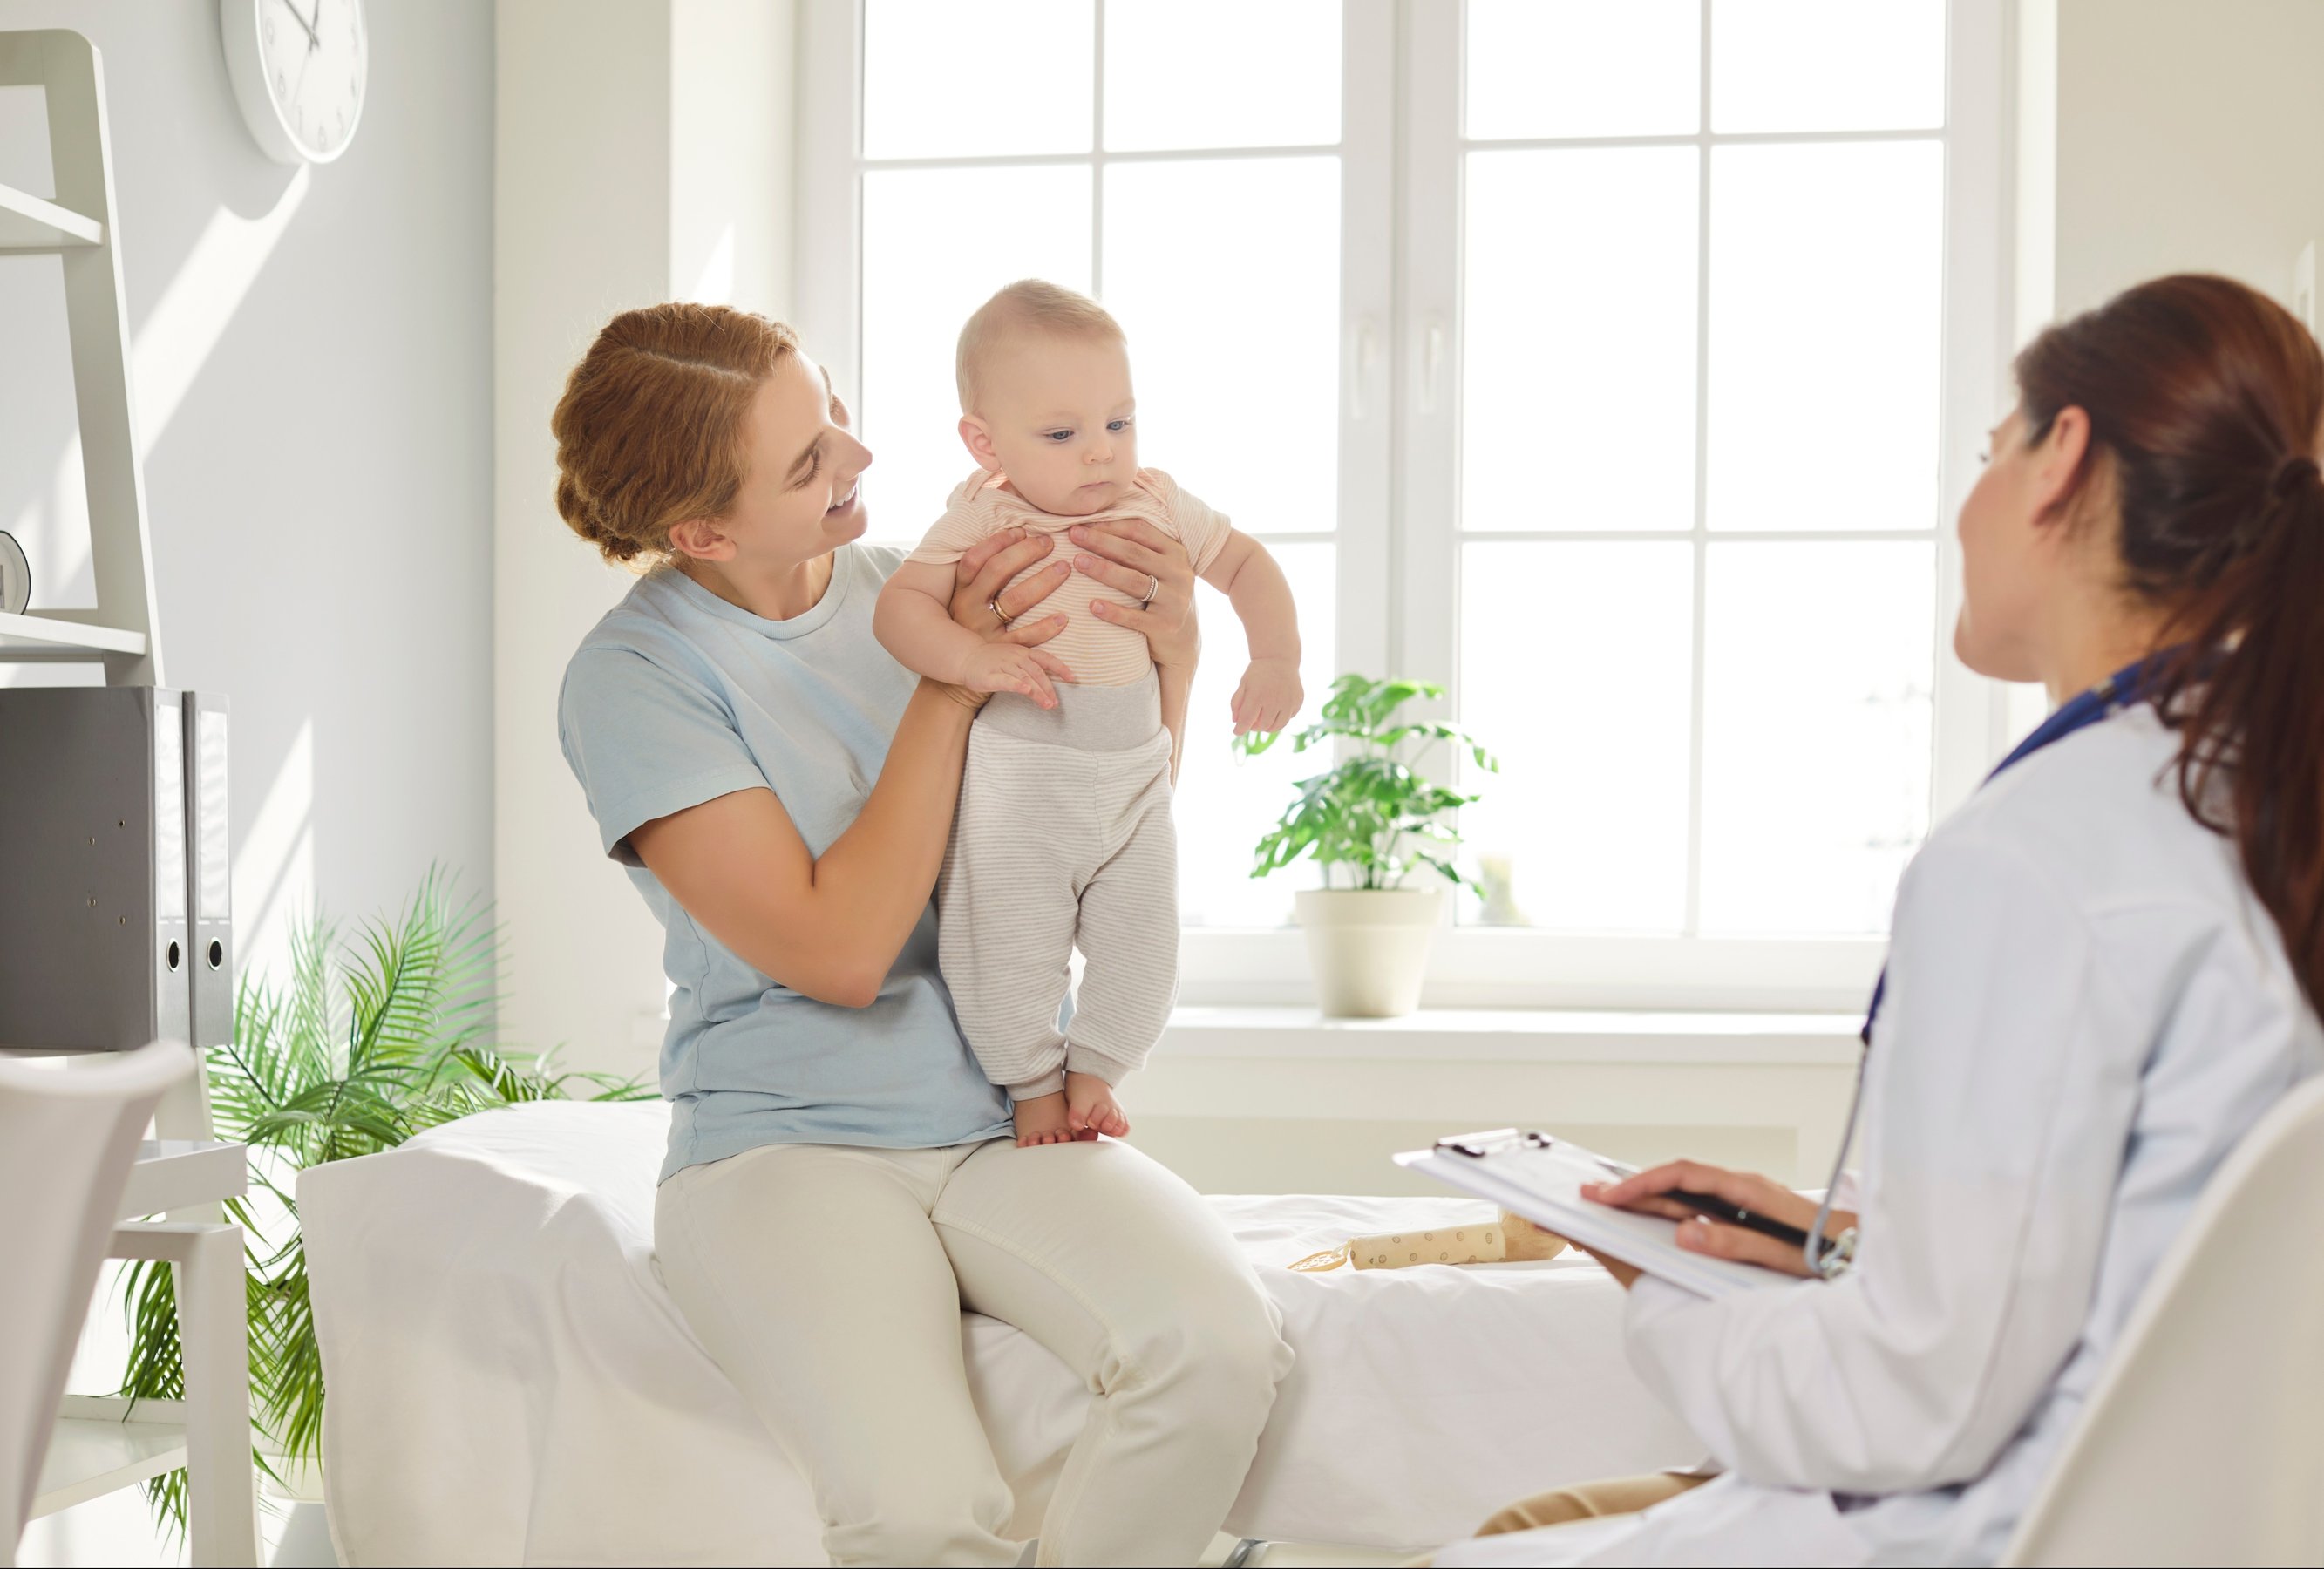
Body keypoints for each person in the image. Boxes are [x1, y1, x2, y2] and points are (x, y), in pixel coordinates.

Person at [1441, 273, 2324, 1566]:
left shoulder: (2039, 855)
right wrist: (1839, 1240)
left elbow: (1909, 1405)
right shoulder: (2255, 799)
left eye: (1987, 452)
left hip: (1993, 1526)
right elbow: (2152, 1232)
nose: (1965, 503)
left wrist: (1667, 1297)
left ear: (2056, 458)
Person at [551, 302, 1295, 1567]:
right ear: (701, 531)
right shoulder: (639, 677)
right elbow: (835, 952)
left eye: (832, 411)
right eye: (808, 461)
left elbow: (1107, 808)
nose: (859, 457)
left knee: (1216, 1351)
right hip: (790, 1147)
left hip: (1010, 1113)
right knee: (917, 1506)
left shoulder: (929, 579)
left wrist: (1174, 651)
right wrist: (950, 686)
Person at [875, 279, 1304, 1147]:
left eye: (1119, 421)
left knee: (1145, 946)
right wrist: (970, 659)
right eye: (1062, 434)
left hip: (1135, 779)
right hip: (1021, 779)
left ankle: (1098, 1068)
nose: (1101, 453)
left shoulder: (1154, 499)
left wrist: (1275, 657)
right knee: (1003, 943)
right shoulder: (981, 512)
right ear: (983, 441)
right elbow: (899, 609)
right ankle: (1032, 1084)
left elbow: (1248, 565)